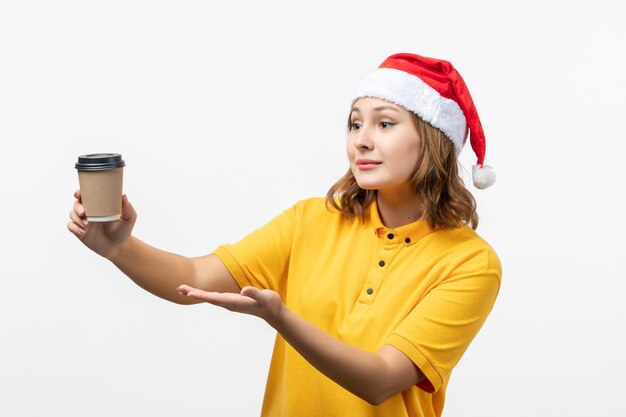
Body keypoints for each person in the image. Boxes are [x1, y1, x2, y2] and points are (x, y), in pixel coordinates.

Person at [67, 52, 501, 417]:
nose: (361, 141)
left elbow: (380, 380)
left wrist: (281, 319)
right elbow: (195, 279)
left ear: (434, 138)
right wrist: (118, 249)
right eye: (354, 124)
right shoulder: (310, 220)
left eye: (385, 124)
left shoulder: (469, 263)